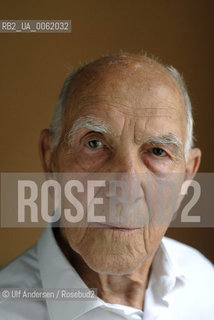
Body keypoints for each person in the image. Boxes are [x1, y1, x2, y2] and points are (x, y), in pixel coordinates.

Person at [0, 53, 213, 319]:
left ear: (187, 176)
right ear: (50, 159)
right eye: (94, 144)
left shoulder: (205, 285)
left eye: (157, 151)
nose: (125, 187)